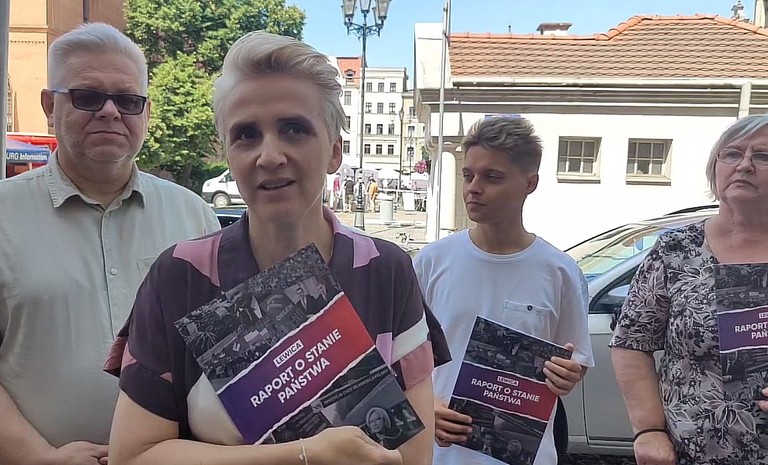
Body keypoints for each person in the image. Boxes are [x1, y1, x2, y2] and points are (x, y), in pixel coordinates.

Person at [106, 31, 450, 465]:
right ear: (229, 156)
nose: (269, 156)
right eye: (246, 135)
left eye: (294, 129)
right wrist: (304, 454)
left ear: (334, 152)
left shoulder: (386, 270)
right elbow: (132, 455)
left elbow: (414, 455)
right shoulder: (180, 275)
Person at [0, 23, 219, 465]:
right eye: (87, 96)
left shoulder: (194, 216)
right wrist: (38, 456)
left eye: (127, 100)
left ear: (146, 112)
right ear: (49, 106)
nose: (109, 112)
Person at [413, 116, 594, 465]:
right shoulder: (431, 262)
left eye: (492, 177)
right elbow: (398, 358)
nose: (473, 188)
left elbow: (577, 360)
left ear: (530, 183)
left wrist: (568, 375)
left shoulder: (560, 272)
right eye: (468, 175)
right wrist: (425, 407)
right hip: (441, 455)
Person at [610, 114, 768, 465]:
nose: (744, 165)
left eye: (763, 156)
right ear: (714, 168)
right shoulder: (677, 250)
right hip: (688, 451)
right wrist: (648, 430)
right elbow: (632, 342)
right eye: (732, 154)